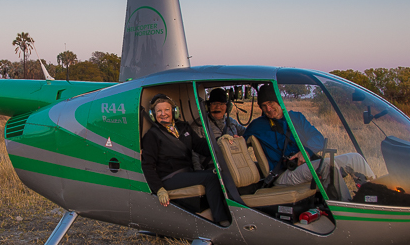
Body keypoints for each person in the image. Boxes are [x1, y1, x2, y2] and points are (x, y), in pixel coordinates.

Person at [244, 84, 374, 199]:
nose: (268, 109)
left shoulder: (296, 117)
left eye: (271, 103)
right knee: (326, 165)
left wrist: (306, 151)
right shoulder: (257, 126)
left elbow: (319, 139)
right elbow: (241, 142)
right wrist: (233, 140)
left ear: (279, 101)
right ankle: (346, 209)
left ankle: (375, 196)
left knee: (356, 159)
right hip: (284, 173)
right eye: (264, 105)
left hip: (306, 165)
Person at [141, 94, 231, 226]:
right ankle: (221, 221)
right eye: (159, 111)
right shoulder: (152, 135)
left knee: (217, 172)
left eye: (166, 110)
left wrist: (219, 142)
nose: (163, 114)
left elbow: (200, 146)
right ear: (153, 115)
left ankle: (219, 213)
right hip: (169, 177)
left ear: (174, 111)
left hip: (187, 173)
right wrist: (159, 189)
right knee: (211, 177)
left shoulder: (183, 127)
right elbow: (148, 165)